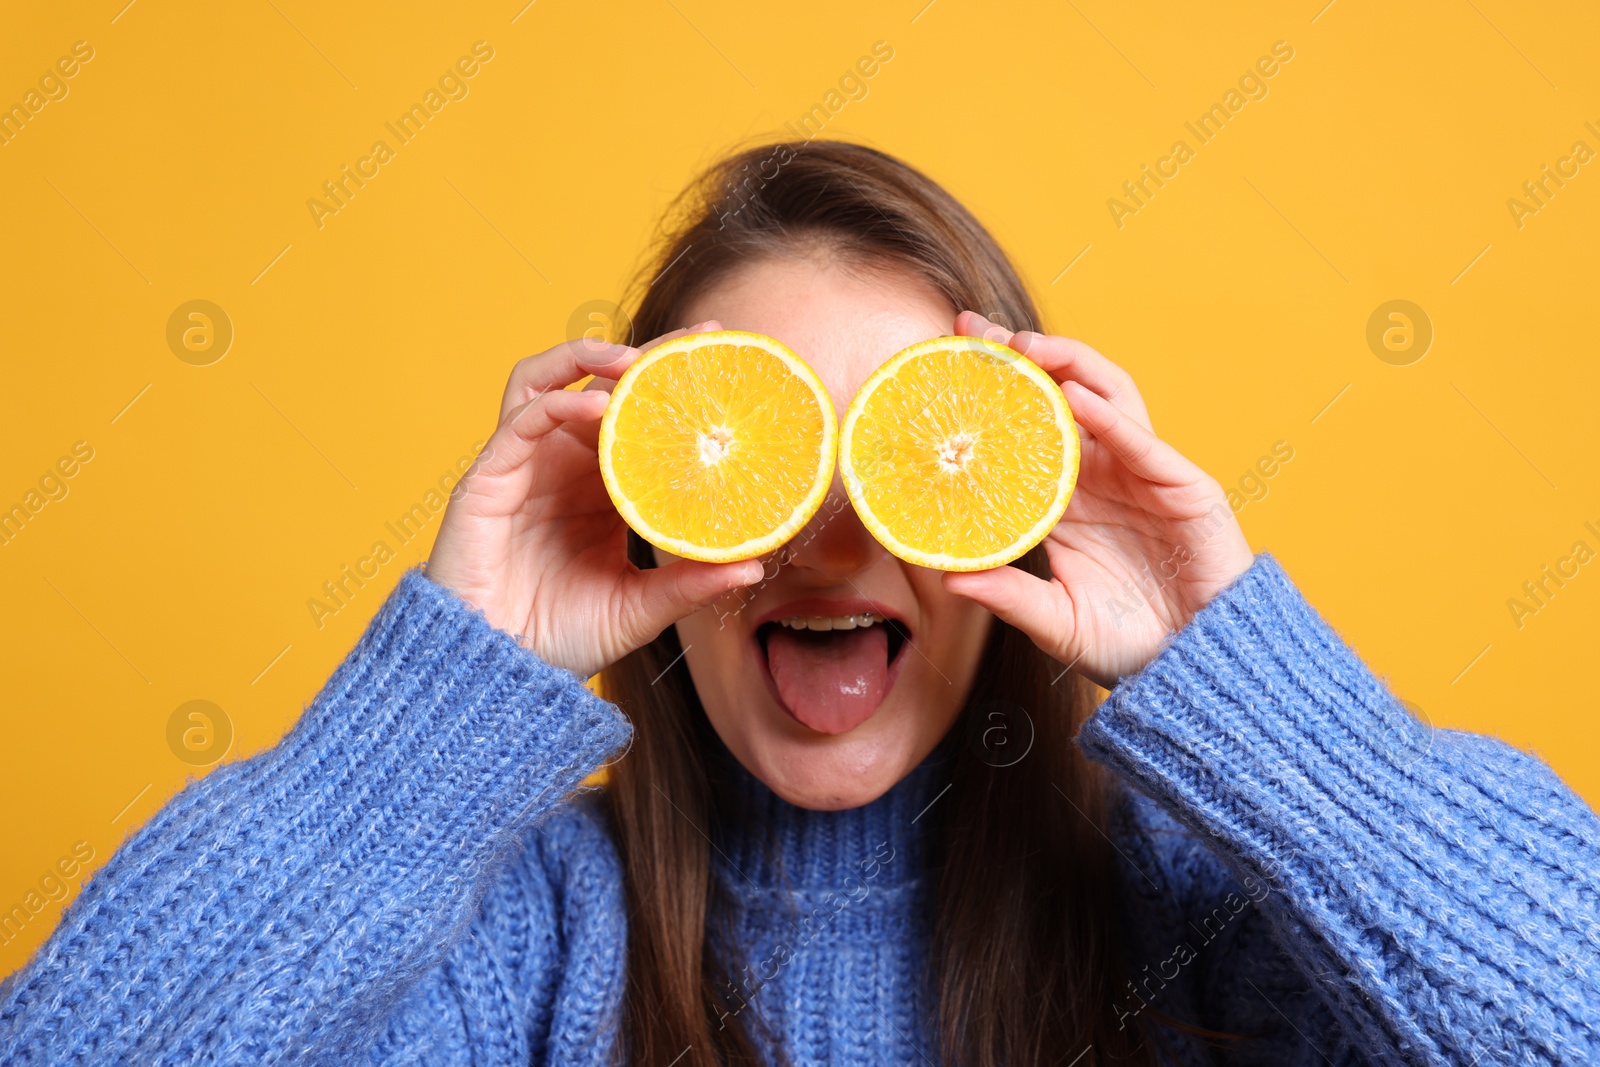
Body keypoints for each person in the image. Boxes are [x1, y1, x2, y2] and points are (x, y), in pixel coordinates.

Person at [1, 141, 1596, 1066]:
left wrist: (1253, 692)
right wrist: (442, 699)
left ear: (1026, 501)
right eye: (754, 459)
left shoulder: (1194, 915)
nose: (830, 541)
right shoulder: (531, 941)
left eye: (907, 452)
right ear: (636, 501)